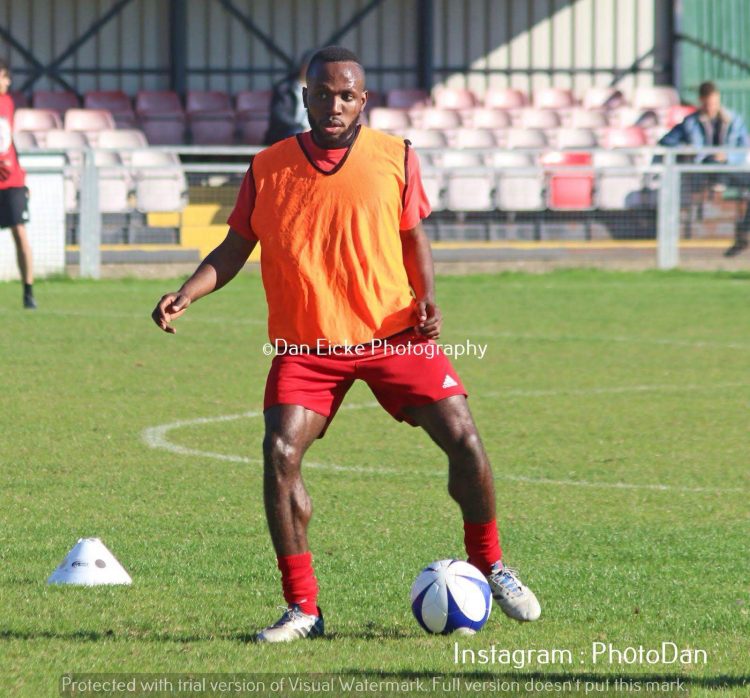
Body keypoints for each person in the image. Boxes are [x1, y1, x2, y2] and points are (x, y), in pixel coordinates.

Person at [152, 46, 540, 643]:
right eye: (322, 92)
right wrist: (186, 293)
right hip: (307, 346)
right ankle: (303, 610)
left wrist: (427, 298)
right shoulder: (268, 167)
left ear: (363, 100)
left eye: (346, 94)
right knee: (280, 453)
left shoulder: (396, 156)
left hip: (394, 335)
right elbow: (234, 249)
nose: (333, 104)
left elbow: (414, 239)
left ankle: (490, 563)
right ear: (303, 96)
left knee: (465, 439)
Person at [659, 81, 750, 257]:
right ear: (701, 101)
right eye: (708, 104)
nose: (712, 107)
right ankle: (668, 247)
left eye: (715, 103)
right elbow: (667, 141)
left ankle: (744, 234)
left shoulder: (732, 119)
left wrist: (728, 156)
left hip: (728, 168)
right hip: (702, 170)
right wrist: (686, 148)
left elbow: (743, 146)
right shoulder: (691, 122)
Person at [0, 59, 35, 308]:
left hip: (12, 181)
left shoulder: (8, 103)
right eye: (2, 77)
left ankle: (28, 293)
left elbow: (7, 140)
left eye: (6, 77)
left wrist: (21, 174)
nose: (6, 82)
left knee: (19, 232)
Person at [263, 50, 315, 145]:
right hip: (289, 132)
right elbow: (279, 115)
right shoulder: (284, 89)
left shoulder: (323, 90)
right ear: (302, 67)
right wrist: (301, 128)